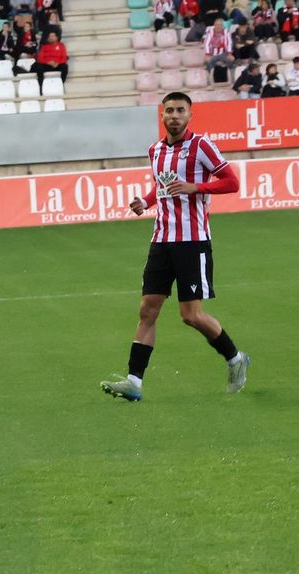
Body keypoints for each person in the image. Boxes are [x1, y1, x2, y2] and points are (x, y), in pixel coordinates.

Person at [101, 92, 250, 403]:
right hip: (161, 240)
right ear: (162, 115)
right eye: (169, 110)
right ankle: (134, 382)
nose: (174, 115)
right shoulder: (155, 150)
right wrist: (146, 200)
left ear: (190, 115)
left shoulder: (201, 146)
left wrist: (197, 186)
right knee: (147, 310)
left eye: (180, 110)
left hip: (192, 241)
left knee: (191, 315)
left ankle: (235, 358)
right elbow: (162, 185)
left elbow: (232, 181)